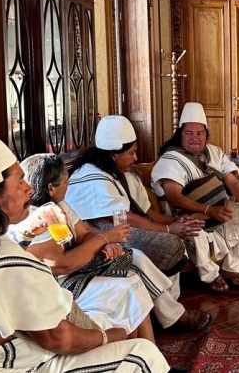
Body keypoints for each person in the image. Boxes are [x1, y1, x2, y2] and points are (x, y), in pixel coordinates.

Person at [0, 131, 172, 372]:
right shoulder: (2, 257)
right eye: (19, 180)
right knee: (141, 354)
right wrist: (113, 336)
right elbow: (60, 339)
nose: (29, 188)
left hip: (0, 351)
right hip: (13, 365)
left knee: (117, 302)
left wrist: (26, 233)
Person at [19, 153, 213, 337]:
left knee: (135, 262)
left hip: (82, 267)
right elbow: (63, 265)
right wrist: (104, 239)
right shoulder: (38, 219)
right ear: (51, 188)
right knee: (133, 277)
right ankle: (175, 318)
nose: (69, 184)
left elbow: (85, 233)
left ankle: (151, 349)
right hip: (66, 283)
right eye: (65, 181)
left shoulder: (61, 206)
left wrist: (104, 245)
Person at [65, 115, 206, 279]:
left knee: (181, 240)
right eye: (131, 153)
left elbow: (145, 211)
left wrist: (173, 223)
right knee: (169, 246)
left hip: (122, 229)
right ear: (114, 155)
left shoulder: (126, 174)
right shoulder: (91, 175)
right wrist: (168, 230)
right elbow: (124, 218)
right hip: (96, 235)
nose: (136, 158)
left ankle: (169, 301)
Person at [150, 102, 239, 292]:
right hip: (187, 214)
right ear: (180, 135)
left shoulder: (214, 152)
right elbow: (174, 198)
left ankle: (232, 269)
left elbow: (234, 183)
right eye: (189, 133)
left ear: (206, 135)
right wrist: (209, 210)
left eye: (199, 133)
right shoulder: (171, 159)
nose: (195, 138)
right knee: (194, 233)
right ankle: (211, 275)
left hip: (217, 208)